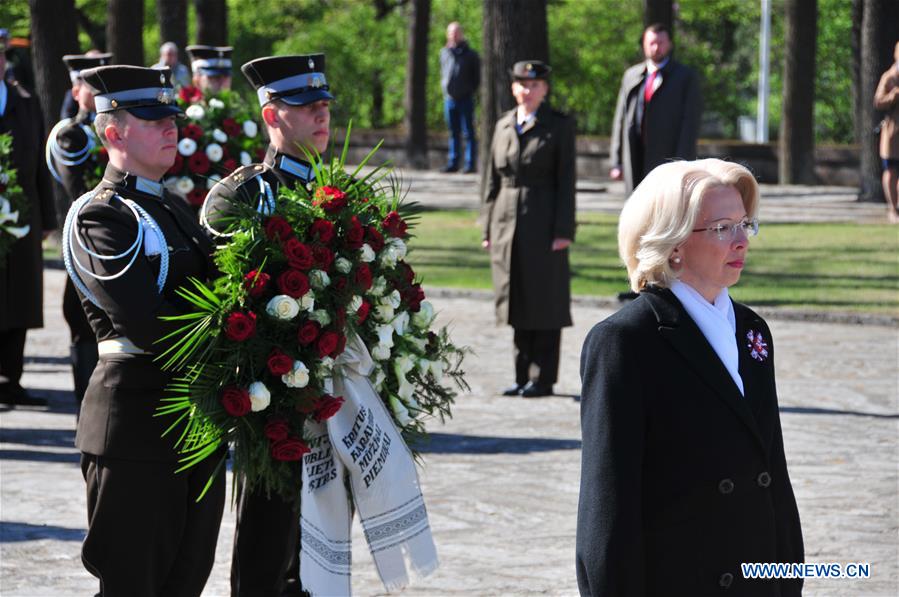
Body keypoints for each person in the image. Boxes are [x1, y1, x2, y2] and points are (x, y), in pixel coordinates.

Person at [575, 159, 804, 595]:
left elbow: (773, 475)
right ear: (674, 242)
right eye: (722, 228)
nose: (741, 241)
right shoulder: (624, 342)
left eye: (745, 225)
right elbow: (607, 511)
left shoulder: (753, 330)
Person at [62, 64, 224, 595]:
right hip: (134, 428)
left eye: (171, 116)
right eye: (152, 118)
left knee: (185, 583)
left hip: (194, 425)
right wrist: (237, 341)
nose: (170, 126)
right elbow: (145, 321)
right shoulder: (100, 217)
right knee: (133, 586)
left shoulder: (173, 207)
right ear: (113, 132)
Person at [202, 54, 333, 597]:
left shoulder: (336, 190)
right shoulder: (244, 195)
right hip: (272, 399)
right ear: (273, 115)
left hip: (330, 394)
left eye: (324, 104)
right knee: (269, 538)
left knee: (323, 537)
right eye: (307, 107)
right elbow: (225, 306)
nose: (322, 114)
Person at [481, 60, 576, 398]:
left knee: (545, 298)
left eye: (535, 84)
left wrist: (564, 229)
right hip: (507, 220)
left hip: (544, 218)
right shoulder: (504, 124)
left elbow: (566, 180)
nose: (528, 89)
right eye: (522, 83)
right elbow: (491, 179)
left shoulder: (558, 126)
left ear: (544, 89)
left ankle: (543, 377)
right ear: (513, 88)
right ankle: (521, 375)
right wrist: (487, 225)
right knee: (516, 296)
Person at [46, 51, 112, 416]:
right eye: (91, 82)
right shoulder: (72, 134)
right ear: (75, 90)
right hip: (84, 239)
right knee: (83, 319)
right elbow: (80, 191)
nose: (99, 88)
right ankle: (85, 401)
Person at [0, 34, 57, 407]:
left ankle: (10, 378)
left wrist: (48, 217)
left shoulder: (25, 100)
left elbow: (40, 163)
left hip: (20, 214)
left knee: (19, 296)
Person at [609, 23, 701, 196]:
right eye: (651, 43)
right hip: (635, 157)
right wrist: (616, 161)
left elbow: (690, 124)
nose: (656, 47)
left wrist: (683, 163)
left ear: (670, 44)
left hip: (668, 160)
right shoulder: (632, 76)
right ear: (644, 44)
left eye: (661, 42)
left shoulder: (685, 77)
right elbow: (620, 120)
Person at [440, 22, 480, 173]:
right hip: (449, 99)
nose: (454, 35)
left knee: (468, 132)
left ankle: (470, 165)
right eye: (451, 32)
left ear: (461, 34)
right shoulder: (444, 52)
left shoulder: (471, 54)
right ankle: (453, 163)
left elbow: (477, 77)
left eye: (456, 32)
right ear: (447, 34)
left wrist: (469, 90)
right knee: (453, 132)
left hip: (466, 99)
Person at [874, 40, 899, 223]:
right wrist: (893, 96)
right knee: (890, 170)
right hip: (893, 132)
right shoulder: (889, 77)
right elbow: (878, 101)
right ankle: (892, 208)